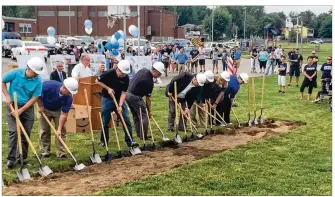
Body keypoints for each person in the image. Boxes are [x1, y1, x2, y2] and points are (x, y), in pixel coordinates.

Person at [2, 57, 44, 169]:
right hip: (12, 105)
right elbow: (2, 81)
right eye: (35, 73)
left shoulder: (38, 80)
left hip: (27, 107)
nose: (36, 75)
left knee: (26, 132)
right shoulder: (16, 73)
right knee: (14, 132)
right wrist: (7, 96)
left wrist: (21, 110)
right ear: (29, 69)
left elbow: (34, 98)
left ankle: (21, 158)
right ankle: (10, 159)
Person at [37, 78, 78, 158]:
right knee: (44, 130)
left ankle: (61, 153)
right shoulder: (48, 85)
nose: (70, 94)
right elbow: (37, 93)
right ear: (64, 88)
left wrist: (59, 129)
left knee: (61, 131)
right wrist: (40, 105)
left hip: (58, 110)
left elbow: (64, 114)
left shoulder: (69, 98)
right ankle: (44, 152)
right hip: (44, 108)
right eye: (69, 92)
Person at [95, 60, 133, 147]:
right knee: (105, 121)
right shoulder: (108, 73)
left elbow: (124, 93)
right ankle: (104, 141)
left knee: (126, 120)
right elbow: (97, 81)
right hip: (107, 99)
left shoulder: (126, 78)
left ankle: (130, 141)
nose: (124, 75)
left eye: (125, 73)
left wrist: (120, 105)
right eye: (122, 73)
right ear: (118, 69)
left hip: (119, 99)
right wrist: (108, 88)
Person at [126, 62, 165, 139]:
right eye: (159, 74)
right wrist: (149, 111)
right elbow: (148, 99)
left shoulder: (143, 70)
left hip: (127, 94)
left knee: (136, 115)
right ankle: (143, 136)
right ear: (154, 70)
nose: (159, 76)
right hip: (134, 96)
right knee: (144, 116)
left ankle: (139, 135)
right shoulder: (149, 82)